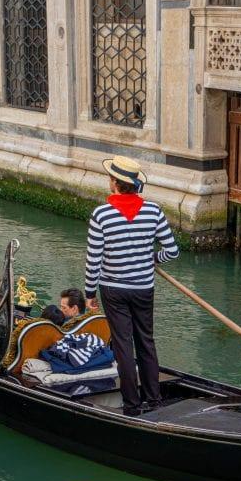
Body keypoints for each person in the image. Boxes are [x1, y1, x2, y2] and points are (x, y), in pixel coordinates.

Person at [84, 157, 178, 416]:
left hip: (112, 288)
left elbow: (94, 259)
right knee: (146, 341)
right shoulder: (154, 211)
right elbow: (172, 251)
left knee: (123, 345)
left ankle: (132, 405)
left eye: (110, 178)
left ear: (115, 182)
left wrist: (89, 293)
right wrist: (151, 260)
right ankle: (154, 400)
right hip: (143, 287)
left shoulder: (101, 214)